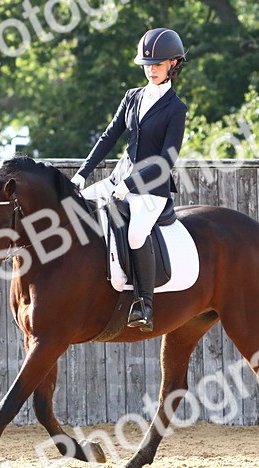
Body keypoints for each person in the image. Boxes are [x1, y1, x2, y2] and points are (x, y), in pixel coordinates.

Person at [72, 27, 188, 332]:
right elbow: (109, 136)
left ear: (173, 63)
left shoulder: (176, 109)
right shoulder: (132, 97)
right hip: (118, 177)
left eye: (157, 64)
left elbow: (166, 161)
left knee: (136, 234)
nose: (151, 70)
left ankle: (144, 305)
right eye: (147, 65)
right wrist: (82, 173)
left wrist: (130, 186)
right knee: (76, 209)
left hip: (151, 189)